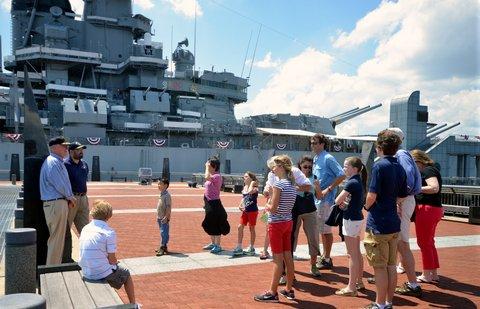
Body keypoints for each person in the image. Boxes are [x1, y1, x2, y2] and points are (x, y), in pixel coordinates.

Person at [363, 130, 408, 309]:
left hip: (379, 223)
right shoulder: (400, 167)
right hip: (393, 223)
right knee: (390, 265)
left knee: (379, 267)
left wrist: (366, 207)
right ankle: (388, 302)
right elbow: (403, 194)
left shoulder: (379, 166)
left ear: (379, 147)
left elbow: (372, 194)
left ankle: (379, 304)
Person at [254, 155, 297, 302]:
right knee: (288, 258)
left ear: (281, 167)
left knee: (277, 261)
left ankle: (272, 292)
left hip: (276, 225)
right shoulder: (291, 184)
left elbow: (272, 209)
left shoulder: (278, 185)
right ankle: (289, 290)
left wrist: (266, 205)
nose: (273, 168)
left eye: (275, 165)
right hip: (287, 222)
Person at [385, 128, 423, 297]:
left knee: (402, 243)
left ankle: (413, 284)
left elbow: (407, 177)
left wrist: (399, 197)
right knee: (397, 242)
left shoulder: (400, 154)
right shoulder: (402, 154)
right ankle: (387, 275)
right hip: (405, 200)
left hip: (403, 201)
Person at [79, 200, 136, 305]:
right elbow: (112, 259)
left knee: (108, 266)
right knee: (126, 274)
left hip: (86, 270)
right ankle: (133, 304)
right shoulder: (108, 232)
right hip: (98, 273)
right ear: (108, 216)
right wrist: (115, 263)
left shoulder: (85, 228)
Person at [311, 133, 346, 269]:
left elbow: (341, 175)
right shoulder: (316, 158)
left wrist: (329, 189)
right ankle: (325, 256)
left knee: (326, 230)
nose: (313, 145)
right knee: (322, 230)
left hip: (326, 200)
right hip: (318, 199)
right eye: (312, 143)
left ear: (322, 144)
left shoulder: (328, 158)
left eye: (315, 143)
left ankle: (327, 258)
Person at [40, 136, 76, 265]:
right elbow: (59, 184)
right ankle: (52, 272)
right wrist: (70, 197)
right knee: (56, 240)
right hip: (56, 203)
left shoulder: (56, 161)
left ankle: (54, 267)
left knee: (57, 240)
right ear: (55, 147)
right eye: (64, 146)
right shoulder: (53, 162)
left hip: (56, 203)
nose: (67, 148)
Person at [334, 157, 367, 297]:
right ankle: (358, 281)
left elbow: (337, 200)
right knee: (356, 253)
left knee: (352, 254)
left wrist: (341, 202)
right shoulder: (358, 181)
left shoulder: (352, 182)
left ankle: (351, 287)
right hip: (356, 218)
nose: (344, 168)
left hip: (351, 219)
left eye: (346, 166)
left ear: (354, 168)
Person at [411, 149, 443, 283]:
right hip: (433, 209)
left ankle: (427, 274)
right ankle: (433, 273)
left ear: (418, 161)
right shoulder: (431, 169)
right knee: (429, 242)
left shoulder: (427, 171)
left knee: (424, 242)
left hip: (426, 209)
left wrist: (415, 188)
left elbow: (434, 187)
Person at [292, 155, 321, 277]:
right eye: (305, 166)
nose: (308, 169)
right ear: (300, 166)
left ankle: (313, 265)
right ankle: (289, 266)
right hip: (295, 211)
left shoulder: (314, 178)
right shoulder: (294, 178)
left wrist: (317, 187)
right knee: (291, 237)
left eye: (310, 167)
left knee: (313, 238)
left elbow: (319, 197)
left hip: (310, 211)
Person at [63, 141, 90, 263]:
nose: (81, 151)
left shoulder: (84, 164)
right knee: (65, 230)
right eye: (79, 149)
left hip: (83, 199)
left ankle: (88, 257)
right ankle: (66, 258)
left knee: (86, 230)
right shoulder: (65, 165)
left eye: (82, 149)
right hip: (71, 200)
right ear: (71, 151)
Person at [201, 156, 230, 253]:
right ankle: (213, 243)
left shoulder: (217, 176)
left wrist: (206, 167)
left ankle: (218, 245)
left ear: (213, 166)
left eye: (209, 165)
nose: (208, 166)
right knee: (209, 223)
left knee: (215, 223)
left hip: (215, 203)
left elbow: (206, 177)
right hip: (209, 203)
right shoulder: (213, 175)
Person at [233, 172, 259, 256]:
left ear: (251, 178)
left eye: (246, 176)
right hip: (245, 211)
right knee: (240, 227)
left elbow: (250, 192)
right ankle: (239, 246)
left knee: (252, 229)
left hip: (253, 211)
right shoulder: (245, 187)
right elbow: (244, 197)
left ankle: (251, 247)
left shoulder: (255, 188)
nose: (244, 178)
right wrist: (240, 205)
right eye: (244, 176)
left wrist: (252, 183)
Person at [155, 177, 172, 256]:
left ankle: (163, 246)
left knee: (164, 232)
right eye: (158, 184)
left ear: (165, 185)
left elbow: (168, 207)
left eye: (160, 184)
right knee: (162, 232)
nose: (158, 185)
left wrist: (166, 216)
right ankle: (163, 246)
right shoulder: (161, 194)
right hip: (160, 217)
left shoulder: (167, 195)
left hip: (164, 218)